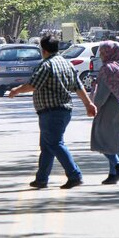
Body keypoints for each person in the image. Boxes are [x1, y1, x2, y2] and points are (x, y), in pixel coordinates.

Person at [9, 35, 97, 189]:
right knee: (47, 145)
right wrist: (88, 104)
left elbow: (33, 85)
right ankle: (42, 178)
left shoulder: (46, 65)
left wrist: (16, 90)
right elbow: (78, 86)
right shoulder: (66, 64)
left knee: (55, 144)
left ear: (43, 50)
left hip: (51, 112)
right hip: (64, 111)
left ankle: (74, 175)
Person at [90, 41, 119, 185]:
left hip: (110, 107)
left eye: (103, 52)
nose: (101, 55)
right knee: (115, 142)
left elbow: (102, 95)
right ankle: (112, 173)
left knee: (100, 140)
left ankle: (118, 166)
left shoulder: (108, 69)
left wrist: (93, 106)